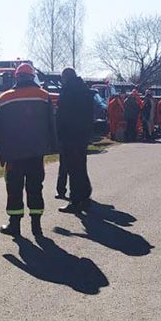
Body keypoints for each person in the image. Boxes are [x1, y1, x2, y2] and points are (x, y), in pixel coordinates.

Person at [0, 63, 57, 237]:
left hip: (13, 153)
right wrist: (54, 146)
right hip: (36, 152)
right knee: (35, 187)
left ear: (16, 77)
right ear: (32, 77)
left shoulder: (5, 97)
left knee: (14, 189)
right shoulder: (44, 95)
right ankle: (36, 226)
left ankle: (14, 226)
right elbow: (51, 123)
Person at [57, 67, 95, 214]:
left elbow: (62, 115)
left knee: (73, 170)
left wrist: (58, 135)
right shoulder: (84, 90)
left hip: (70, 136)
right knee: (81, 167)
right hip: (82, 135)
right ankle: (85, 196)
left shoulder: (68, 92)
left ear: (65, 78)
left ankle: (75, 200)